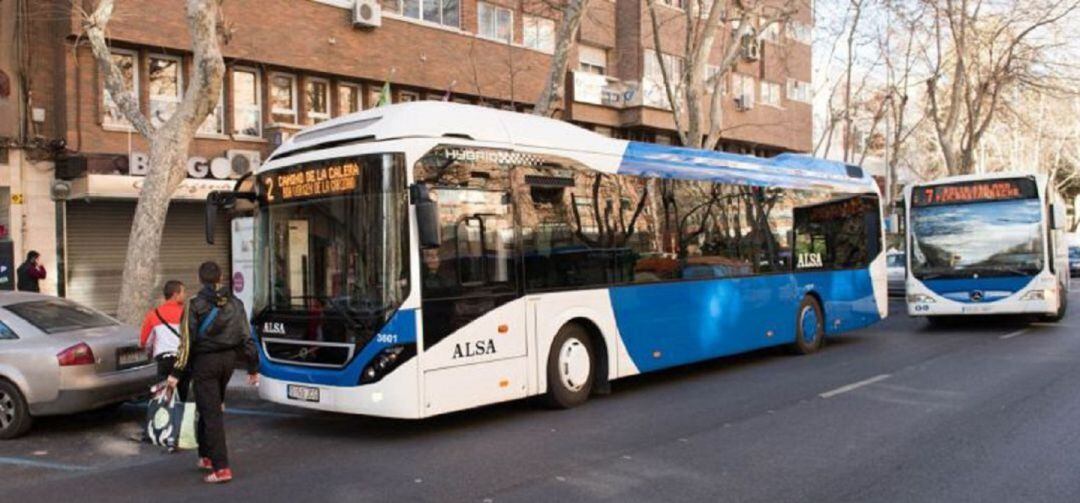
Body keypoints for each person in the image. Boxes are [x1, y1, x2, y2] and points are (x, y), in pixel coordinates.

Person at [168, 261, 259, 484]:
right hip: (228, 362)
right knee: (209, 405)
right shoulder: (236, 303)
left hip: (205, 364)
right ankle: (206, 456)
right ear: (219, 278)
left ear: (200, 279)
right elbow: (247, 337)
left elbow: (186, 342)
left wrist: (176, 373)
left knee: (211, 414)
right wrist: (253, 367)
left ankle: (221, 468)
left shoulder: (194, 304)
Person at [139, 280, 186, 380]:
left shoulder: (153, 314)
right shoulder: (186, 313)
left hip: (163, 360)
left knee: (165, 392)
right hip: (182, 360)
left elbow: (145, 340)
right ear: (175, 295)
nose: (185, 295)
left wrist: (149, 351)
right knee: (183, 392)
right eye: (183, 292)